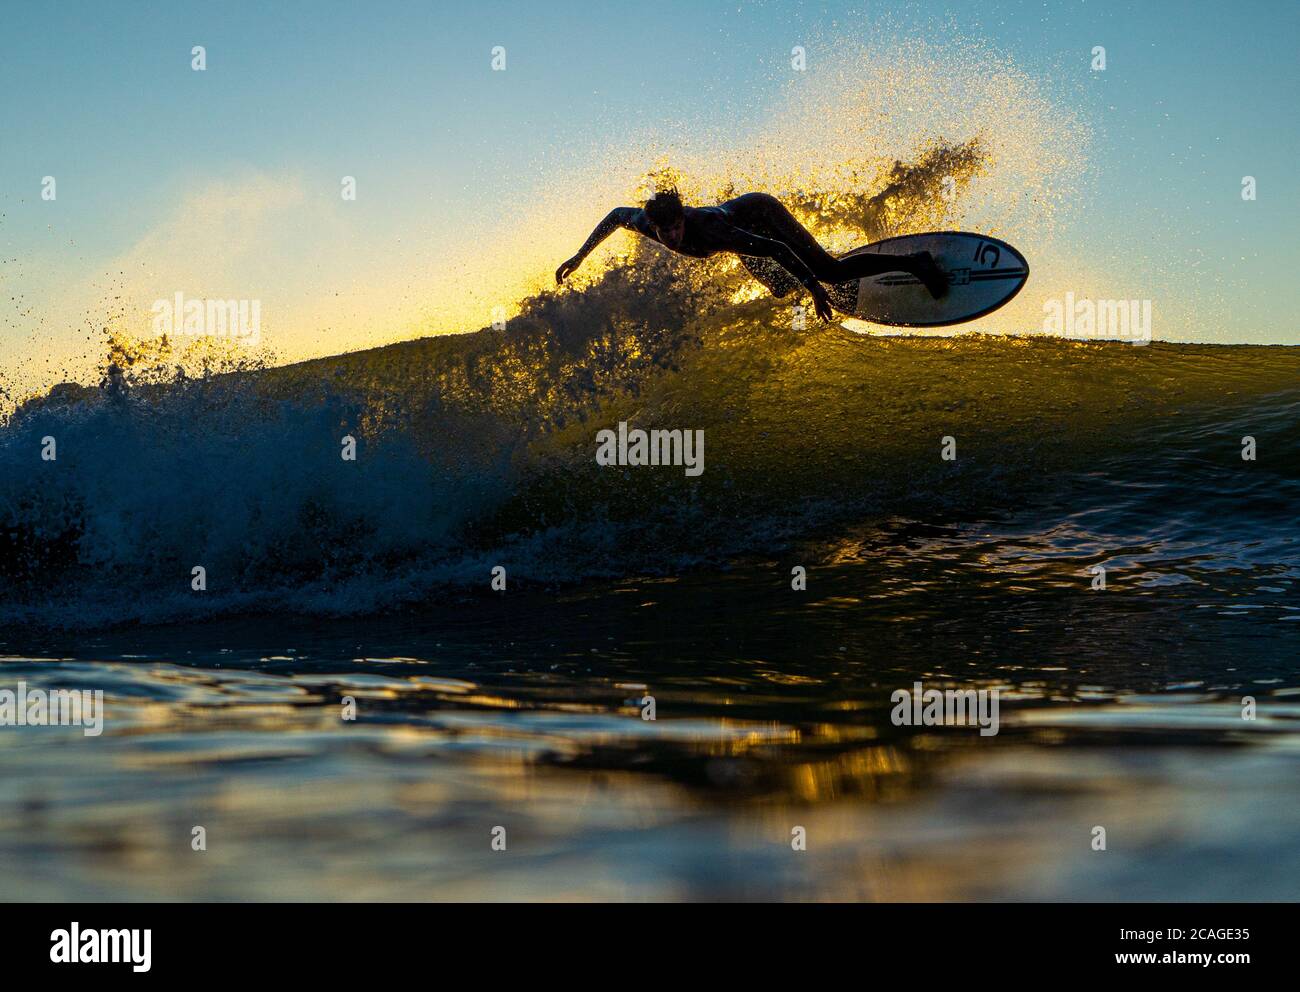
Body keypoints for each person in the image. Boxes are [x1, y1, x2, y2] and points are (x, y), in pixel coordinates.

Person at [555, 188, 947, 321]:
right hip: (741, 234)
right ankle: (821, 270)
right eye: (665, 231)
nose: (672, 237)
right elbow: (614, 217)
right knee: (779, 288)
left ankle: (915, 263)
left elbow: (772, 247)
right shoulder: (646, 221)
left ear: (683, 220)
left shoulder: (709, 228)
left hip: (762, 215)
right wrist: (579, 256)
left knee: (828, 272)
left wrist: (814, 287)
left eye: (676, 228)